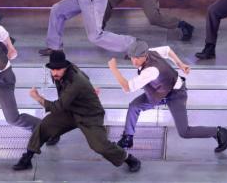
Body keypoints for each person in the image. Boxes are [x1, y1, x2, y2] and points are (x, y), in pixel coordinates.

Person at [13, 50, 141, 173]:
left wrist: (38, 98)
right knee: (44, 125)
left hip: (89, 116)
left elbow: (57, 107)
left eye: (58, 69)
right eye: (53, 69)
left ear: (65, 67)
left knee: (99, 146)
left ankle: (129, 159)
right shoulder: (63, 71)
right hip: (70, 110)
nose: (55, 72)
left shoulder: (76, 81)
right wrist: (89, 90)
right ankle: (27, 158)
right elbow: (85, 78)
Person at [108, 41, 227, 152]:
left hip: (175, 94)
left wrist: (114, 69)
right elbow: (167, 50)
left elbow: (127, 87)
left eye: (137, 59)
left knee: (184, 132)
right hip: (159, 93)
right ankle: (127, 138)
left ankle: (219, 132)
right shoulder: (152, 52)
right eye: (132, 58)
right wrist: (180, 64)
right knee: (134, 106)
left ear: (145, 55)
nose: (134, 62)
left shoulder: (151, 70)